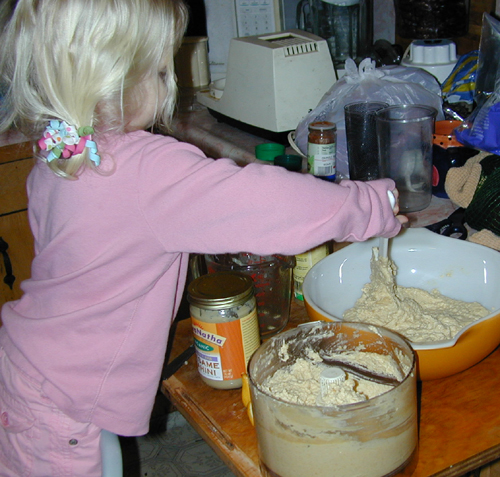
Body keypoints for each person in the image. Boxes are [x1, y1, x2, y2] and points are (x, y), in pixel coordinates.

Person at [0, 0, 407, 475]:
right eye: (159, 67)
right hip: (64, 407)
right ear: (120, 78)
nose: (168, 80)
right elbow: (270, 204)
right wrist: (368, 205)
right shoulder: (146, 171)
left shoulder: (62, 149)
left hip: (31, 369)